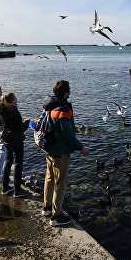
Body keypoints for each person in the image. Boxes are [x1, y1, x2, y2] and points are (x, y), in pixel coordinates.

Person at [42, 80, 89, 227]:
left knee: (49, 179)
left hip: (49, 149)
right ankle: (56, 216)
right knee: (60, 183)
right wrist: (81, 148)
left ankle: (46, 208)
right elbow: (68, 135)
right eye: (69, 89)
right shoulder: (63, 111)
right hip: (60, 152)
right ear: (66, 93)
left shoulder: (49, 106)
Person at [0, 92, 30, 197]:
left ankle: (5, 187)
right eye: (15, 98)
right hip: (16, 139)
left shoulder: (2, 109)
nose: (17, 100)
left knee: (8, 161)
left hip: (6, 138)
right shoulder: (13, 110)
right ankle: (17, 190)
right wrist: (27, 123)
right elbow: (21, 128)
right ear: (12, 100)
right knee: (18, 164)